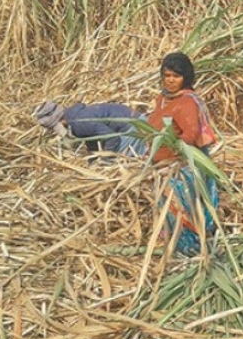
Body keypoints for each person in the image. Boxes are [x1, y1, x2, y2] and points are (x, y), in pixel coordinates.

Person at [147, 51, 220, 257]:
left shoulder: (186, 102)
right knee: (167, 210)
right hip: (161, 166)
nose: (170, 80)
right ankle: (173, 243)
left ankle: (191, 249)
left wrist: (173, 158)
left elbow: (191, 134)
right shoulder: (163, 98)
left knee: (180, 208)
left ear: (185, 78)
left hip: (178, 168)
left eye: (176, 76)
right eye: (167, 75)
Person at [34, 101, 147, 157]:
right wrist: (92, 160)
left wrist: (105, 159)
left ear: (61, 122)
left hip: (136, 127)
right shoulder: (75, 116)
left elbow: (112, 138)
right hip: (134, 122)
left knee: (118, 161)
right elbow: (92, 139)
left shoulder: (78, 122)